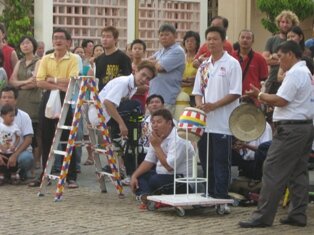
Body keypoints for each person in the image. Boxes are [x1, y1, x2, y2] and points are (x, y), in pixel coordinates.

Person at [239, 41, 314, 228]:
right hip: (303, 126)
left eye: (280, 56)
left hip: (291, 129)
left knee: (272, 168)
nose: (278, 61)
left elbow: (281, 100)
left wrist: (260, 95)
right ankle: (297, 214)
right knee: (298, 171)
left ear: (290, 54)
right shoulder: (306, 73)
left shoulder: (296, 73)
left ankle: (262, 216)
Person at [192, 26, 242, 205]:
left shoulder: (232, 64)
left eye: (215, 38)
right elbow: (197, 91)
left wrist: (214, 105)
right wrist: (199, 105)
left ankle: (221, 196)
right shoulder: (204, 65)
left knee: (221, 161)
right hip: (205, 122)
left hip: (224, 123)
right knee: (206, 161)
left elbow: (236, 92)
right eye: (209, 39)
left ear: (223, 41)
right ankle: (209, 194)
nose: (211, 42)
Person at [29, 28, 80, 188]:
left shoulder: (73, 58)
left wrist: (52, 79)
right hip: (48, 98)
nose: (58, 41)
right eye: (55, 38)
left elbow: (73, 79)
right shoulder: (46, 58)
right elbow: (39, 81)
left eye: (61, 38)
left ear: (68, 42)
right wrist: (58, 84)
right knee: (45, 137)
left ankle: (70, 176)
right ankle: (46, 174)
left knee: (66, 137)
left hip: (66, 99)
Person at [130, 108, 194, 201]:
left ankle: (147, 195)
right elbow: (149, 161)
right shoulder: (157, 136)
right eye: (153, 122)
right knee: (140, 176)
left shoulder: (179, 139)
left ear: (169, 123)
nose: (155, 125)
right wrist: (134, 176)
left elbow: (169, 167)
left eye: (159, 122)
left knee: (154, 180)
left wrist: (156, 146)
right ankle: (146, 196)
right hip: (162, 175)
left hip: (181, 180)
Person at [9, 36, 41, 169]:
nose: (25, 46)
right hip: (21, 102)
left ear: (33, 45)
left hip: (34, 101)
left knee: (36, 134)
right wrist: (25, 82)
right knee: (21, 131)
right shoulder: (20, 62)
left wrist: (19, 85)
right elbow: (12, 81)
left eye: (27, 43)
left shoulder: (39, 61)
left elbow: (36, 82)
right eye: (22, 44)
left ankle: (37, 162)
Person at [148, 23, 185, 115]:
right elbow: (146, 64)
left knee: (164, 126)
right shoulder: (161, 52)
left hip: (166, 99)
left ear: (175, 35)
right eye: (161, 35)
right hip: (153, 97)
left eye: (167, 34)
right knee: (150, 126)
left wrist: (155, 63)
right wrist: (155, 63)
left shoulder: (178, 51)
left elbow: (160, 68)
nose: (164, 37)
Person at [0, 86, 34, 181]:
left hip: (19, 152)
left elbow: (28, 139)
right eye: (4, 97)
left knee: (27, 158)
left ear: (15, 100)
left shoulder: (24, 116)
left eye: (10, 97)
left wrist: (15, 154)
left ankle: (20, 172)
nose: (6, 100)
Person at [263, 10, 299, 95]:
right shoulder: (271, 40)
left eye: (287, 22)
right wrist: (283, 60)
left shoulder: (295, 41)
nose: (285, 25)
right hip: (273, 81)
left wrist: (276, 58)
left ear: (293, 24)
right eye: (282, 22)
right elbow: (264, 60)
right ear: (279, 23)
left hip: (291, 81)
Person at [94, 26, 132, 90]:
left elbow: (128, 79)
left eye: (108, 37)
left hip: (118, 95)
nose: (105, 39)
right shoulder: (99, 59)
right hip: (102, 95)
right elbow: (98, 79)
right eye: (103, 36)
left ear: (115, 39)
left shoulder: (123, 58)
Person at [231, 30, 268, 95]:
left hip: (251, 99)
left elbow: (263, 79)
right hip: (232, 97)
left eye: (248, 38)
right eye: (242, 37)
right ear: (238, 39)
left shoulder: (260, 58)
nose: (245, 40)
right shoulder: (231, 57)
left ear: (253, 41)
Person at [0, 104, 21, 185]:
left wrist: (15, 145)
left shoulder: (15, 126)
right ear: (3, 116)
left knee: (13, 165)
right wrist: (1, 146)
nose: (12, 118)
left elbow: (18, 137)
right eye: (10, 116)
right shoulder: (1, 126)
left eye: (13, 116)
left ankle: (13, 176)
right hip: (2, 151)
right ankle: (1, 177)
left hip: (11, 151)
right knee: (1, 164)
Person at [181, 31, 200, 106]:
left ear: (197, 43)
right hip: (181, 95)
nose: (189, 43)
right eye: (187, 41)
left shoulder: (200, 58)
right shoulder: (181, 58)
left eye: (192, 41)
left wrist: (196, 79)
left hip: (195, 96)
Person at [130, 39, 149, 112]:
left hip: (143, 99)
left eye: (140, 49)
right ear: (131, 51)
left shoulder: (147, 67)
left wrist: (133, 88)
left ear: (144, 52)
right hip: (129, 98)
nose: (137, 50)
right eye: (135, 48)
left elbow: (146, 87)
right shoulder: (128, 66)